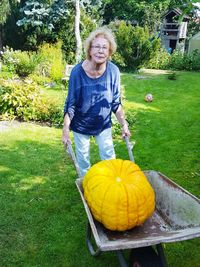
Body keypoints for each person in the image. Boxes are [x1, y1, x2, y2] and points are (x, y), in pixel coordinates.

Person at [62, 27, 131, 177]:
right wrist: (66, 128)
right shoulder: (77, 72)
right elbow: (71, 104)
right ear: (90, 50)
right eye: (97, 47)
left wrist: (124, 124)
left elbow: (115, 102)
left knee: (109, 159)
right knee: (83, 161)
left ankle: (112, 186)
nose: (101, 51)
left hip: (103, 123)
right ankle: (87, 187)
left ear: (109, 51)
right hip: (81, 124)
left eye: (105, 47)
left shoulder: (113, 71)